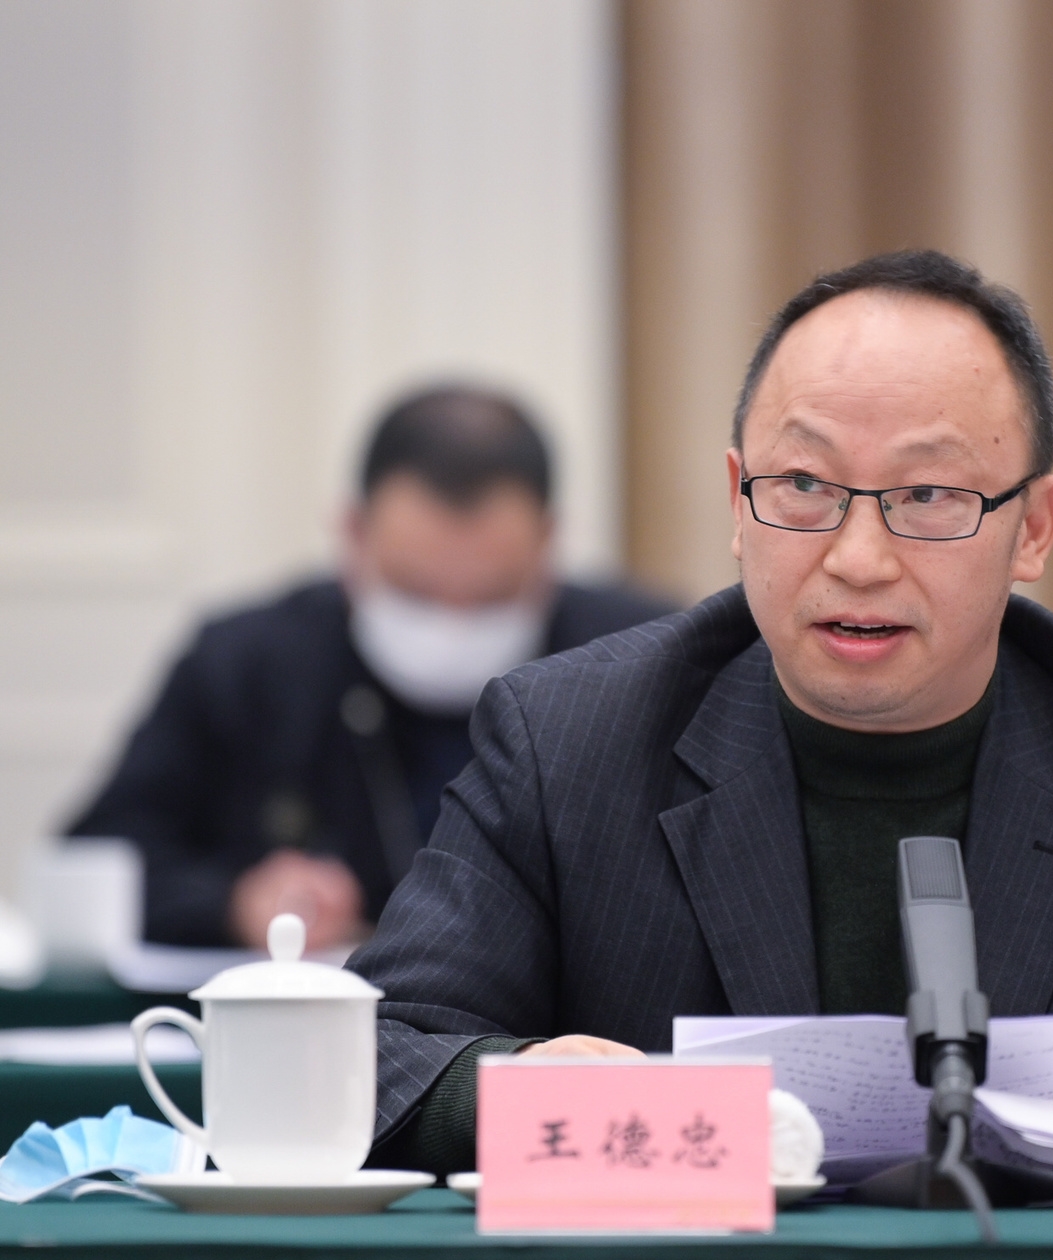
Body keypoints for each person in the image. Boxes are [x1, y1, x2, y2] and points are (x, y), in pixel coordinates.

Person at [351, 250, 1053, 1179]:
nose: (856, 557)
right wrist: (516, 1094)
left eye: (928, 495)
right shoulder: (567, 737)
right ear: (738, 503)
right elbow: (365, 1064)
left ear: (1034, 529)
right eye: (803, 487)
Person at [68, 385, 673, 951]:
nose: (452, 626)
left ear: (547, 541)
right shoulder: (247, 664)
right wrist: (235, 903)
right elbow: (96, 860)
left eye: (491, 598)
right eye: (415, 592)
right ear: (353, 534)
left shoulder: (647, 663)